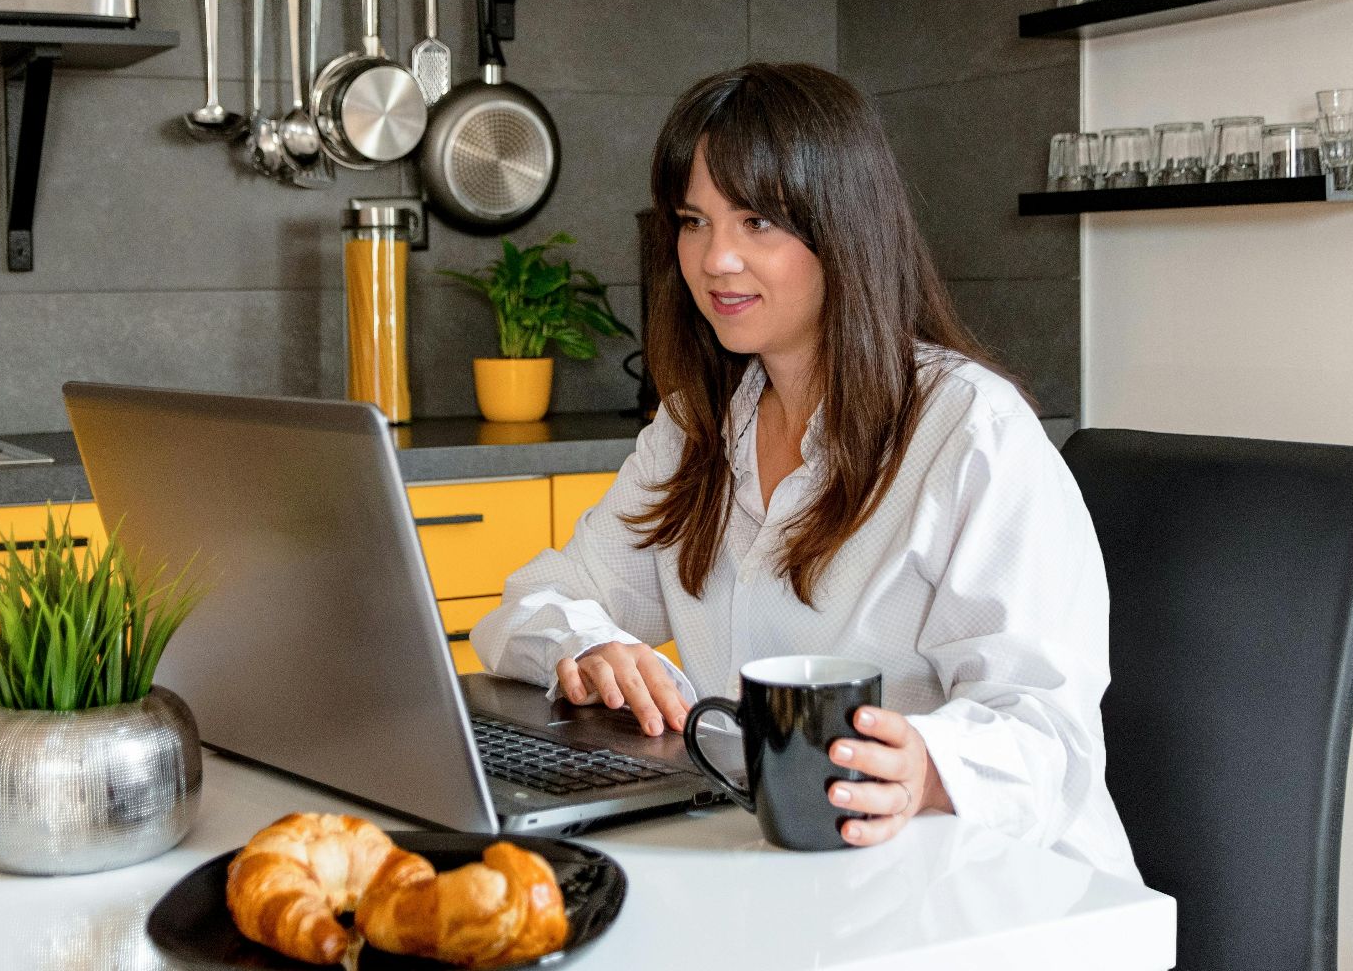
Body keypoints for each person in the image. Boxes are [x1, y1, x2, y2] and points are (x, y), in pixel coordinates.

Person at [469, 63, 1137, 879]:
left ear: (842, 228)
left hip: (1000, 893)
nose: (715, 260)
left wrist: (925, 765)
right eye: (692, 221)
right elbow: (525, 607)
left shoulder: (972, 432)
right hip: (797, 873)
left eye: (756, 222)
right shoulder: (694, 429)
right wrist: (591, 646)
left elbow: (1048, 734)